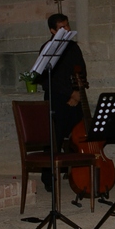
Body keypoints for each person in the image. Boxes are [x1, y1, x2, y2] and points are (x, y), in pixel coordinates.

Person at [37, 13, 86, 192]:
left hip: (75, 98)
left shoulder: (73, 47)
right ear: (52, 30)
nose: (66, 30)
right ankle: (48, 179)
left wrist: (78, 93)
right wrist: (70, 94)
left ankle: (79, 173)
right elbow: (48, 80)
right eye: (61, 28)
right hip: (57, 99)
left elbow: (82, 71)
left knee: (80, 136)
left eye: (67, 26)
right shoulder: (47, 48)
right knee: (53, 139)